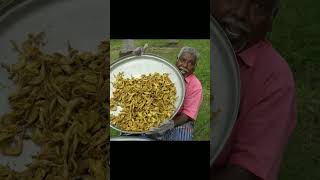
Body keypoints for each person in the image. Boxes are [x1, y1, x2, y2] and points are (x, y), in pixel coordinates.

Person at [210, 0, 296, 180]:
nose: (241, 13)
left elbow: (246, 172)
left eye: (260, 7)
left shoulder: (274, 80)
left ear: (272, 18)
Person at [149, 47, 203, 141]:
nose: (185, 65)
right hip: (155, 114)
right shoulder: (164, 73)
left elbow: (187, 114)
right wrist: (139, 56)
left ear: (194, 67)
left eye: (190, 63)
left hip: (179, 120)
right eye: (183, 60)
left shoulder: (195, 86)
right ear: (177, 59)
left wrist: (171, 124)